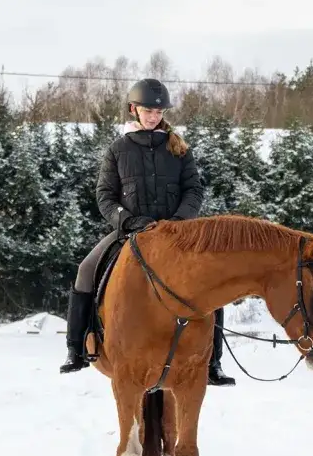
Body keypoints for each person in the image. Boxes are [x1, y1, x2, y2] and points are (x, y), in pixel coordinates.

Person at [58, 78, 236, 386]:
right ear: (134, 110)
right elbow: (105, 196)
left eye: (158, 111)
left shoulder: (178, 148)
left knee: (211, 281)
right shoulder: (118, 150)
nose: (153, 115)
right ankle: (76, 349)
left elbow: (193, 189)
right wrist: (128, 221)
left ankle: (213, 363)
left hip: (176, 235)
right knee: (86, 270)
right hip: (130, 232)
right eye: (147, 110)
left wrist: (179, 221)